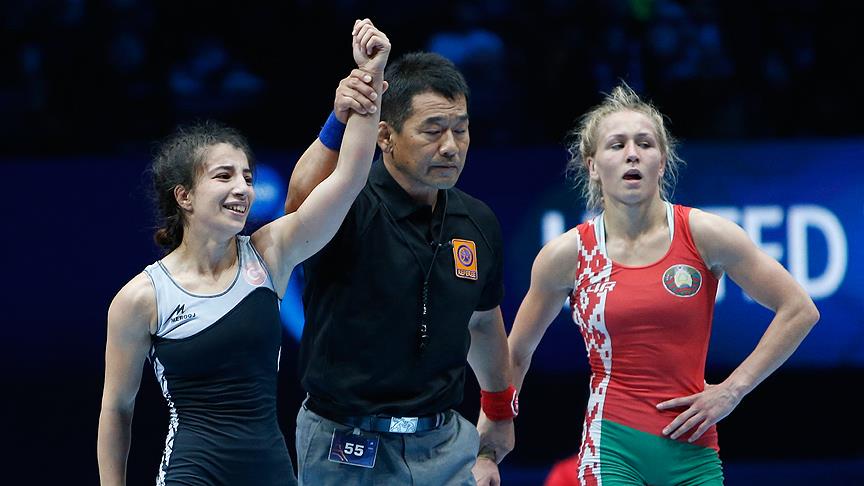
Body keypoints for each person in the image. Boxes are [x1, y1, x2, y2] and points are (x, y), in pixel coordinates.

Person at [96, 19, 390, 486]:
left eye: (247, 177)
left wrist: (371, 76)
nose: (242, 189)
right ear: (184, 196)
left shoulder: (270, 254)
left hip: (270, 472)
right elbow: (117, 409)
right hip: (190, 474)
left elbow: (350, 178)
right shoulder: (141, 299)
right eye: (224, 176)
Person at [508, 83, 819, 485]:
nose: (632, 153)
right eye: (617, 145)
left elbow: (799, 310)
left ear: (662, 161)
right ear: (592, 165)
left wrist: (732, 390)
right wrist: (493, 428)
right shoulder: (567, 254)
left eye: (645, 143)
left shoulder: (705, 234)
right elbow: (516, 351)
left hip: (695, 451)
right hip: (611, 449)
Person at [284, 50, 515, 486]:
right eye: (433, 131)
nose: (450, 147)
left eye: (460, 129)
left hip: (446, 444)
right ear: (385, 135)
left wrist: (500, 410)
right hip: (345, 444)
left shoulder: (477, 221)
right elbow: (298, 207)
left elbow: (483, 323)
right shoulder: (348, 206)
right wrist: (339, 121)